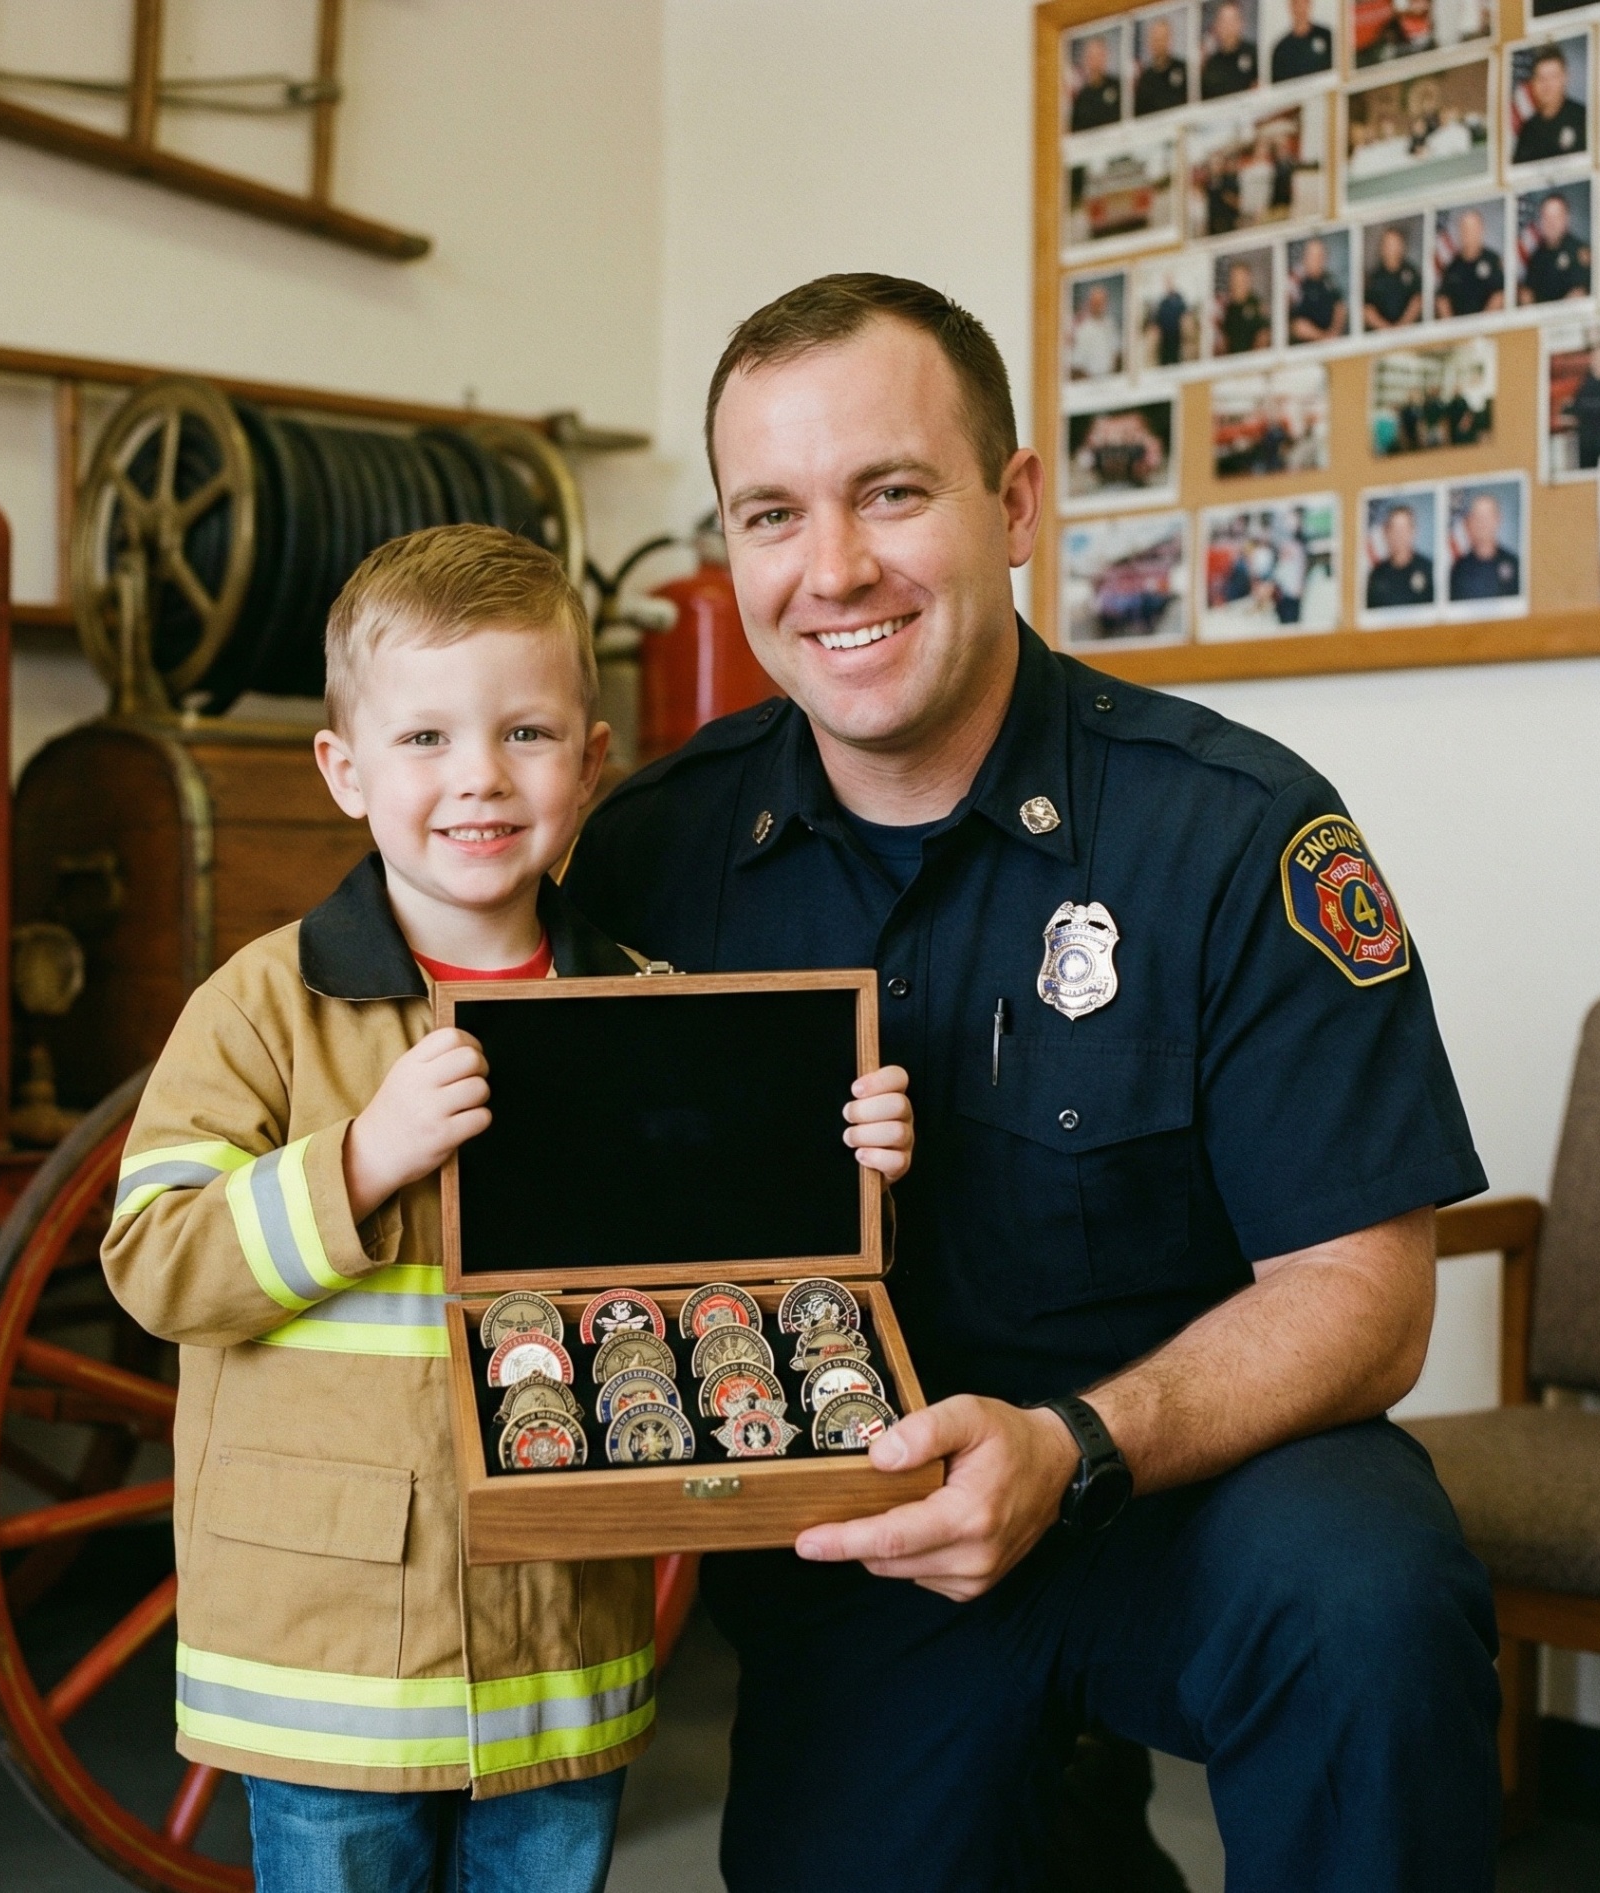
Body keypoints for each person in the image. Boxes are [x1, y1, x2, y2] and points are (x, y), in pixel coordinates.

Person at [565, 272, 1498, 1893]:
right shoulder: (652, 857)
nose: (830, 569)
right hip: (863, 1545)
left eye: (889, 492)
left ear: (1011, 506)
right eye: (771, 514)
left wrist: (1074, 1444)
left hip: (1181, 1494)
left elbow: (1366, 1294)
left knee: (1367, 1595)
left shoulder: (1232, 830)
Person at [99, 522, 915, 1892]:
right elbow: (153, 1262)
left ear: (590, 765)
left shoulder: (649, 1009)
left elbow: (727, 1260)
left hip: (558, 1651)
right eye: (424, 738)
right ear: (345, 770)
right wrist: (360, 1160)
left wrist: (848, 1159)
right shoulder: (257, 1006)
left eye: (525, 733)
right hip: (328, 1658)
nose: (478, 775)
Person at [1512, 45, 1588, 164]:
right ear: (1533, 83)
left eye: (1553, 77)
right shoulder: (1529, 129)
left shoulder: (1583, 117)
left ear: (1565, 78)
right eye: (1541, 78)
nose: (1547, 85)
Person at [1518, 191, 1591, 304]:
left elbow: (1578, 294)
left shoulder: (1579, 251)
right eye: (1546, 217)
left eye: (1556, 217)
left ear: (1566, 219)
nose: (1551, 223)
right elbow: (1528, 295)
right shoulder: (1536, 257)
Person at [1448, 493, 1520, 601]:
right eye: (1478, 517)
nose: (1482, 523)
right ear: (1470, 521)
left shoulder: (1514, 564)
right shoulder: (1459, 570)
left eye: (1487, 517)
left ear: (1498, 519)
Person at [1435, 209, 1505, 317]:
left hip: (1488, 322)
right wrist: (1450, 325)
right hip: (1459, 325)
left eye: (1473, 229)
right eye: (1464, 229)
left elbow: (1500, 294)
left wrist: (1483, 323)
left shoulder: (1492, 260)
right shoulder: (1452, 266)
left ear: (1481, 230)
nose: (1468, 234)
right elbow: (1443, 300)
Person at [1366, 500, 1435, 608]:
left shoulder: (1428, 569)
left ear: (1413, 531)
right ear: (1386, 533)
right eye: (1394, 529)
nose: (1399, 535)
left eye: (1403, 529)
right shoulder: (1377, 575)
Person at [1363, 225, 1422, 328]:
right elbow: (1367, 309)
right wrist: (1388, 330)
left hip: (1410, 329)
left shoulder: (1412, 272)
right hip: (1382, 333)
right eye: (1389, 244)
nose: (1393, 248)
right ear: (1382, 248)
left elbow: (1418, 300)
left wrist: (1401, 327)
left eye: (1396, 243)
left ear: (1403, 246)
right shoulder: (1372, 278)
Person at [1288, 237, 1346, 342]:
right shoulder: (1297, 282)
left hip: (1332, 337)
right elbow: (1296, 325)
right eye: (1312, 256)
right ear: (1304, 258)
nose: (1317, 260)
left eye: (1320, 256)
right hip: (1306, 342)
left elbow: (1340, 307)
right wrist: (1324, 338)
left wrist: (1334, 332)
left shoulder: (1330, 281)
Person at [1134, 13, 1190, 115]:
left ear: (1169, 40)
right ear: (1149, 42)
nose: (1159, 43)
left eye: (1162, 38)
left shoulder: (1183, 69)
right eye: (1155, 39)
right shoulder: (1145, 79)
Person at [1201, 0, 1259, 95]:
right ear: (1216, 26)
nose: (1228, 26)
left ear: (1241, 23)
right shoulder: (1211, 64)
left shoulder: (1254, 54)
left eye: (1232, 20)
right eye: (1223, 21)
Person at [1068, 282, 1123, 380]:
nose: (1098, 305)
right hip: (1091, 382)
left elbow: (1117, 351)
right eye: (1095, 302)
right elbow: (1076, 365)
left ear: (1106, 303)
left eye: (1101, 301)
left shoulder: (1111, 323)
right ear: (1089, 303)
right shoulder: (1083, 329)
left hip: (1111, 379)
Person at [1071, 33, 1123, 131]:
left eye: (1099, 55)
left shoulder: (1118, 86)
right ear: (1085, 59)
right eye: (1091, 56)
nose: (1095, 60)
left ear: (1105, 56)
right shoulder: (1082, 96)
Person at [1272, 0, 1334, 81]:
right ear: (1290, 6)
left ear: (1309, 4)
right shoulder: (1281, 49)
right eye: (1296, 3)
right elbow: (1278, 85)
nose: (1300, 8)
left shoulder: (1326, 36)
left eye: (1304, 2)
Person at [1218, 258, 1271, 353]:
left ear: (1248, 279)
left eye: (1242, 278)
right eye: (1235, 278)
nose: (1238, 282)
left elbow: (1264, 336)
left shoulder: (1257, 305)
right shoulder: (1227, 309)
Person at [1147, 275, 1190, 365]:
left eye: (1170, 282)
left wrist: (1186, 332)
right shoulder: (1162, 302)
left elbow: (1185, 316)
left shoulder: (1179, 299)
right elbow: (1156, 318)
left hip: (1176, 334)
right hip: (1164, 336)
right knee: (1164, 359)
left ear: (1173, 283)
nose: (1168, 285)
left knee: (1175, 358)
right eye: (1167, 283)